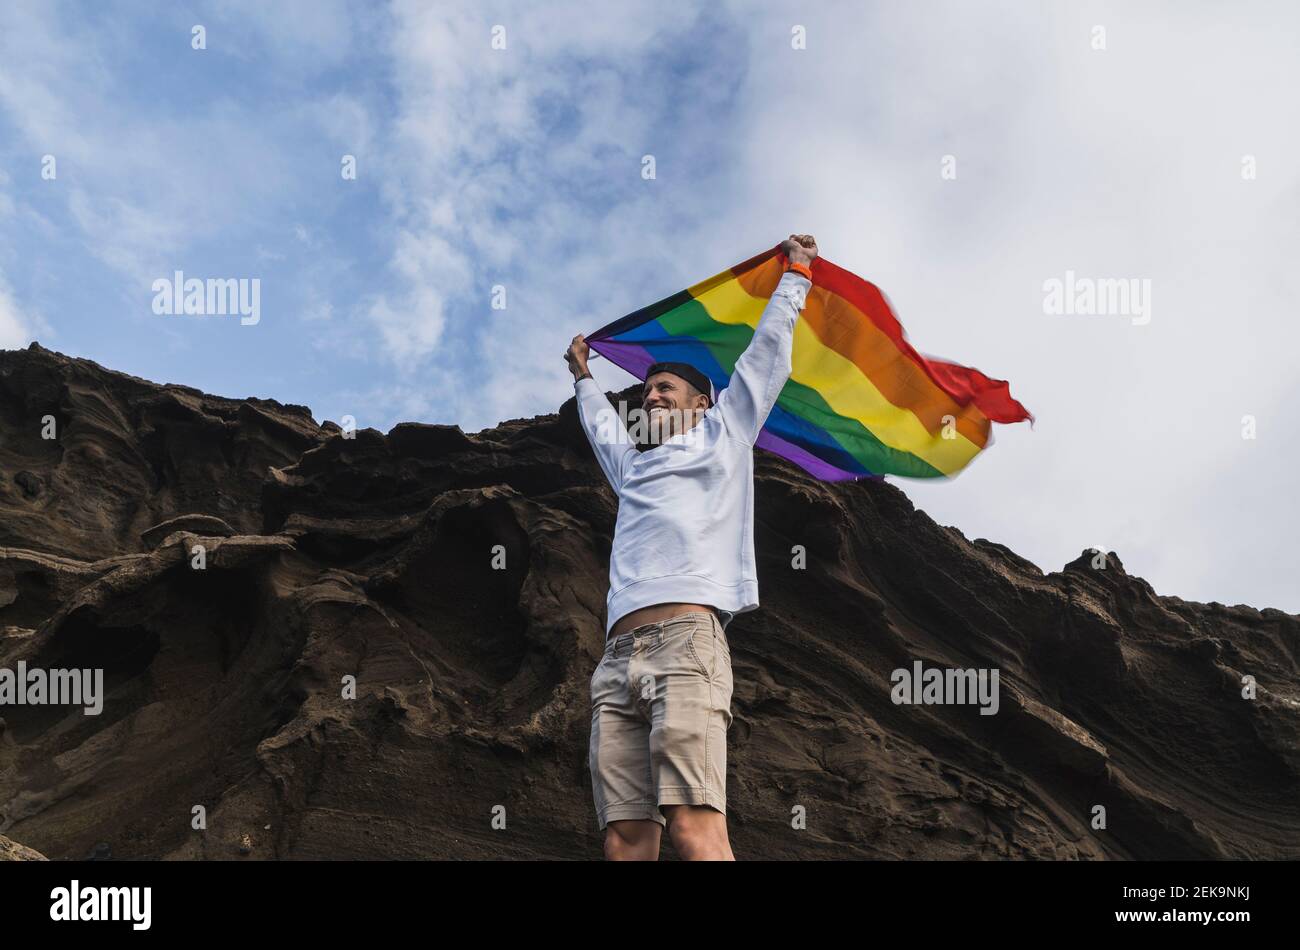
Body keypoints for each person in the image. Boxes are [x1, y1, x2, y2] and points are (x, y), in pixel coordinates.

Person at [565, 234, 818, 860]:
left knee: (692, 823)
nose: (650, 396)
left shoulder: (725, 434)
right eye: (647, 392)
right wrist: (582, 375)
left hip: (686, 641)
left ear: (702, 404)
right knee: (625, 837)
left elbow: (765, 359)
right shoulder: (634, 467)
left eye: (665, 390)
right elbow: (601, 428)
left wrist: (796, 277)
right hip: (615, 660)